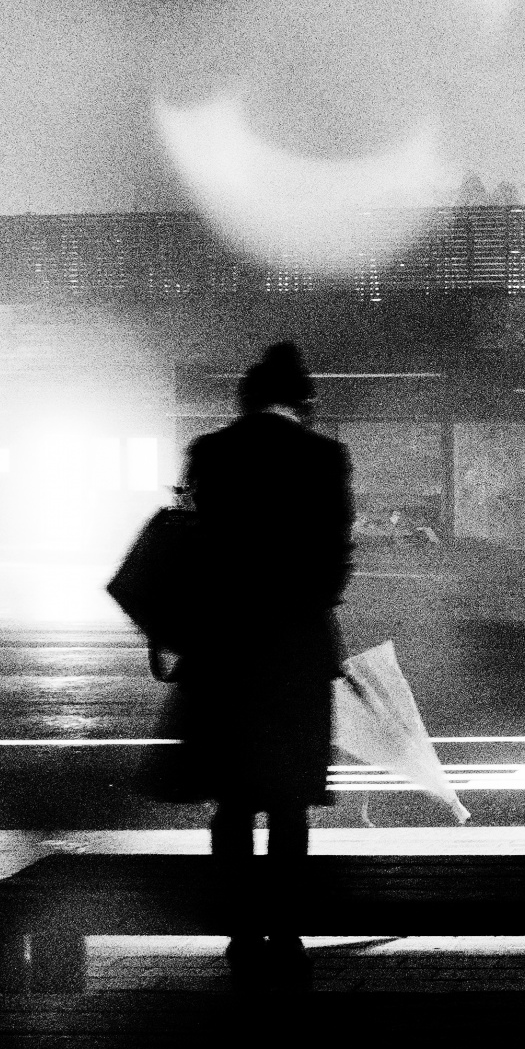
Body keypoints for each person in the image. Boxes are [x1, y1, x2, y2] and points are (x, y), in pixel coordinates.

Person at [143, 341, 353, 988]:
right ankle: (286, 932)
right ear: (303, 400)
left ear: (246, 397)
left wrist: (174, 627)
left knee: (233, 801)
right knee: (288, 804)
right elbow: (336, 559)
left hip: (223, 651)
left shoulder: (211, 452)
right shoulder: (323, 457)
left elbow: (184, 547)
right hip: (293, 653)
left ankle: (240, 931)